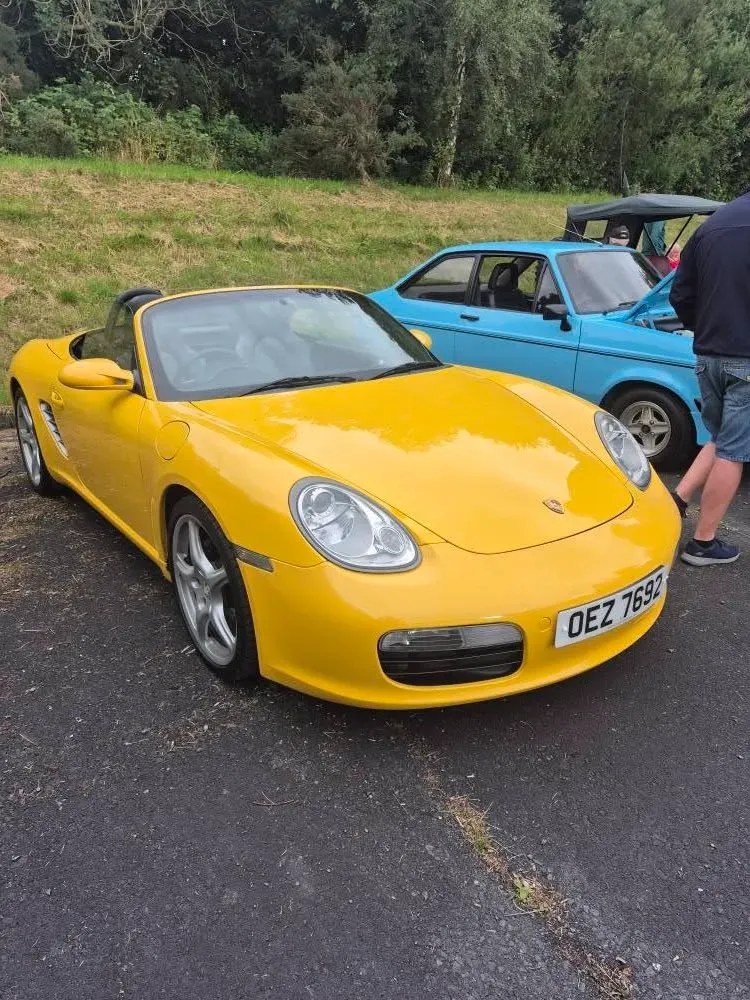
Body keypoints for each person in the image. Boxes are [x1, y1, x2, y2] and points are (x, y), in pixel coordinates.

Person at [669, 188, 750, 566]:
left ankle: (676, 500)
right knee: (735, 451)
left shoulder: (713, 224)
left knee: (721, 438)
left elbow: (680, 292)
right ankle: (703, 542)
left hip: (708, 353)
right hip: (745, 360)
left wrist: (702, 329)